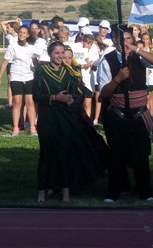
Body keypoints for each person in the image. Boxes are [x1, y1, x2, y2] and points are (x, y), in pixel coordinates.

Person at [33, 41, 105, 202]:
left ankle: (66, 191)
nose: (60, 57)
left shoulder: (69, 72)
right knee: (47, 154)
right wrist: (55, 97)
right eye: (56, 53)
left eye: (62, 53)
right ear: (50, 54)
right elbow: (37, 95)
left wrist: (72, 99)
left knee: (64, 153)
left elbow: (78, 94)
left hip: (65, 117)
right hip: (48, 117)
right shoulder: (41, 71)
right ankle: (42, 190)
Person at [98, 25, 153, 202]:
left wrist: (136, 49)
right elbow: (104, 92)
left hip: (138, 113)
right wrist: (118, 78)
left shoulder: (140, 56)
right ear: (114, 41)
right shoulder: (107, 60)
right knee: (116, 153)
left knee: (141, 153)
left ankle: (146, 190)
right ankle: (115, 190)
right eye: (121, 39)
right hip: (117, 113)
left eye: (128, 39)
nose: (124, 43)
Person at [0, 25, 39, 136]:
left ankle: (32, 128)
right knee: (17, 102)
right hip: (16, 77)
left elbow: (35, 63)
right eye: (20, 32)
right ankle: (16, 128)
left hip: (29, 77)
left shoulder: (31, 47)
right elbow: (5, 63)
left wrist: (39, 74)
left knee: (30, 102)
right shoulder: (12, 46)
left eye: (24, 33)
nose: (22, 34)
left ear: (28, 35)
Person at [141, 31, 153, 117]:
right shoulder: (140, 50)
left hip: (150, 77)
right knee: (144, 96)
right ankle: (144, 115)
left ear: (150, 40)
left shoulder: (151, 51)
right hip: (142, 75)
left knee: (149, 96)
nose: (145, 40)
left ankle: (150, 115)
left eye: (147, 39)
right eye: (143, 39)